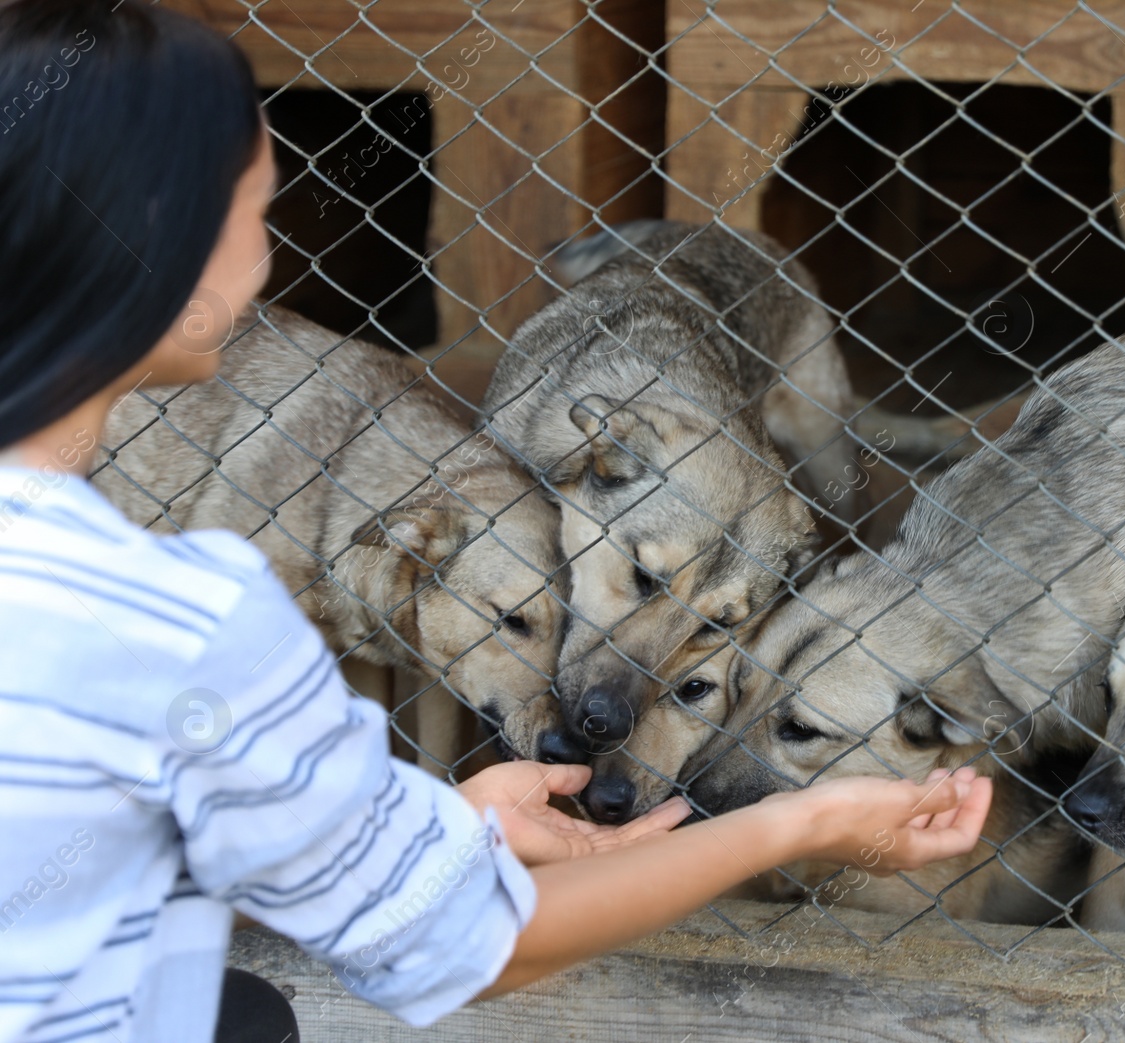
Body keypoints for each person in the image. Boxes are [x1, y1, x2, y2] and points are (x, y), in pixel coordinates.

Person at [0, 2, 993, 1041]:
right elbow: (459, 944)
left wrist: (427, 824)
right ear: (162, 238)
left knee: (240, 1006)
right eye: (260, 208)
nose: (270, 246)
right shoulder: (189, 618)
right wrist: (805, 818)